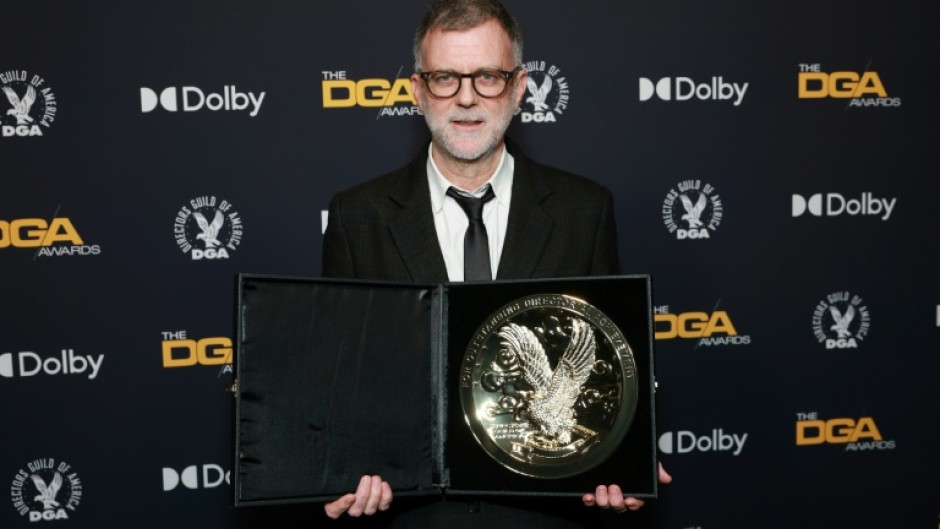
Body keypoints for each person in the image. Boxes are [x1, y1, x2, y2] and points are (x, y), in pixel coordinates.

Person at [321, 0, 671, 526]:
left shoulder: (585, 209)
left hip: (540, 513)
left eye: (487, 76)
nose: (466, 98)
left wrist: (623, 459)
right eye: (445, 78)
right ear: (417, 90)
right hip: (416, 516)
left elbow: (608, 357)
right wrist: (335, 472)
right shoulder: (357, 215)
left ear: (519, 87)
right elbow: (338, 379)